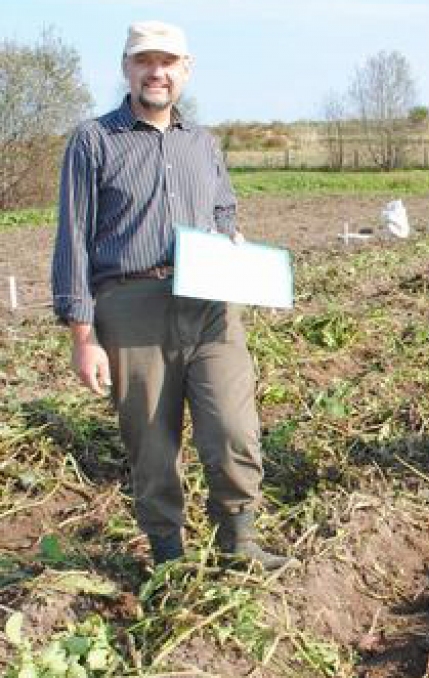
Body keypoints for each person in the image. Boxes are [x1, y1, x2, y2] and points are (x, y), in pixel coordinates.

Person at [51, 20, 291, 568]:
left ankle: (239, 540)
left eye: (168, 62)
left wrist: (231, 238)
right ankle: (169, 554)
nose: (156, 73)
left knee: (233, 425)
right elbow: (73, 238)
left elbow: (224, 207)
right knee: (152, 444)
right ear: (126, 68)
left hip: (209, 302)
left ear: (186, 70)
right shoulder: (94, 140)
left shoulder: (201, 143)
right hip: (131, 306)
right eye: (144, 61)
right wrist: (82, 337)